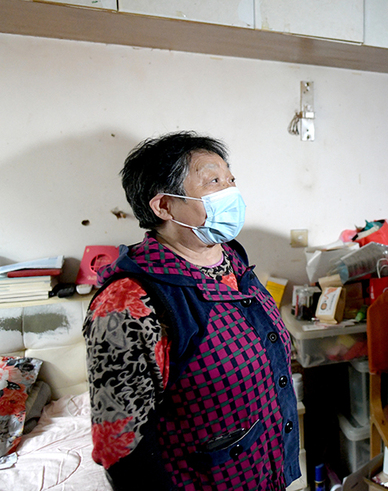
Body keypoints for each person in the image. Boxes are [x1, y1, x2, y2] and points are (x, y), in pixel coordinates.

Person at [83, 131, 300, 490]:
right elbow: (122, 449)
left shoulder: (232, 260)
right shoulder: (128, 303)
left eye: (231, 180)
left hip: (264, 472)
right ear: (164, 207)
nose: (231, 192)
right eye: (214, 181)